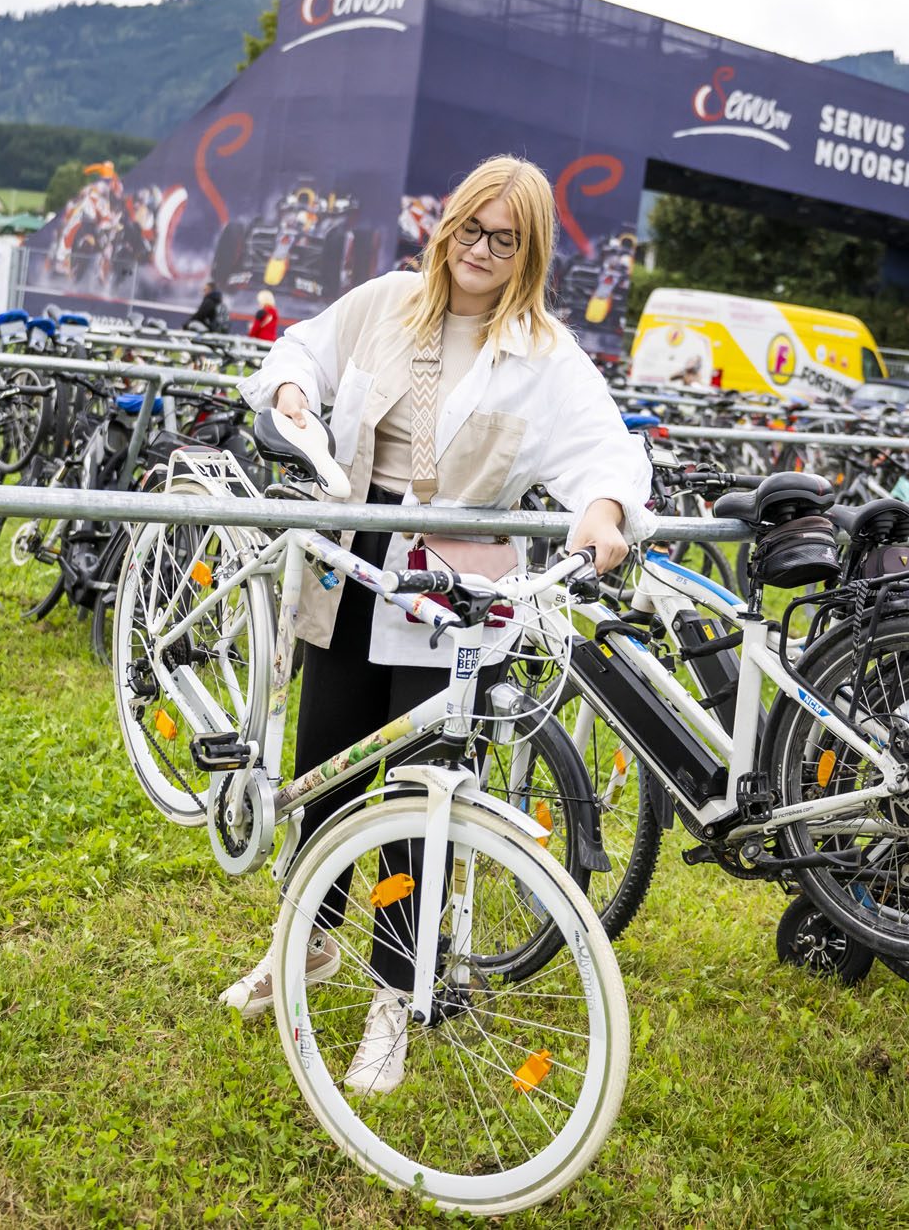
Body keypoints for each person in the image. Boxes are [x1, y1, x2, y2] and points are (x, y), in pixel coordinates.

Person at [220, 154, 653, 1094]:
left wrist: (606, 511)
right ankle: (302, 946)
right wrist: (292, 392)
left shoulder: (543, 353)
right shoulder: (384, 302)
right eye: (470, 229)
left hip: (452, 592)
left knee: (423, 803)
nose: (481, 251)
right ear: (446, 225)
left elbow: (604, 453)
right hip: (351, 562)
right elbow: (298, 350)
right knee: (324, 772)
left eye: (505, 238)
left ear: (530, 250)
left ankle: (394, 997)